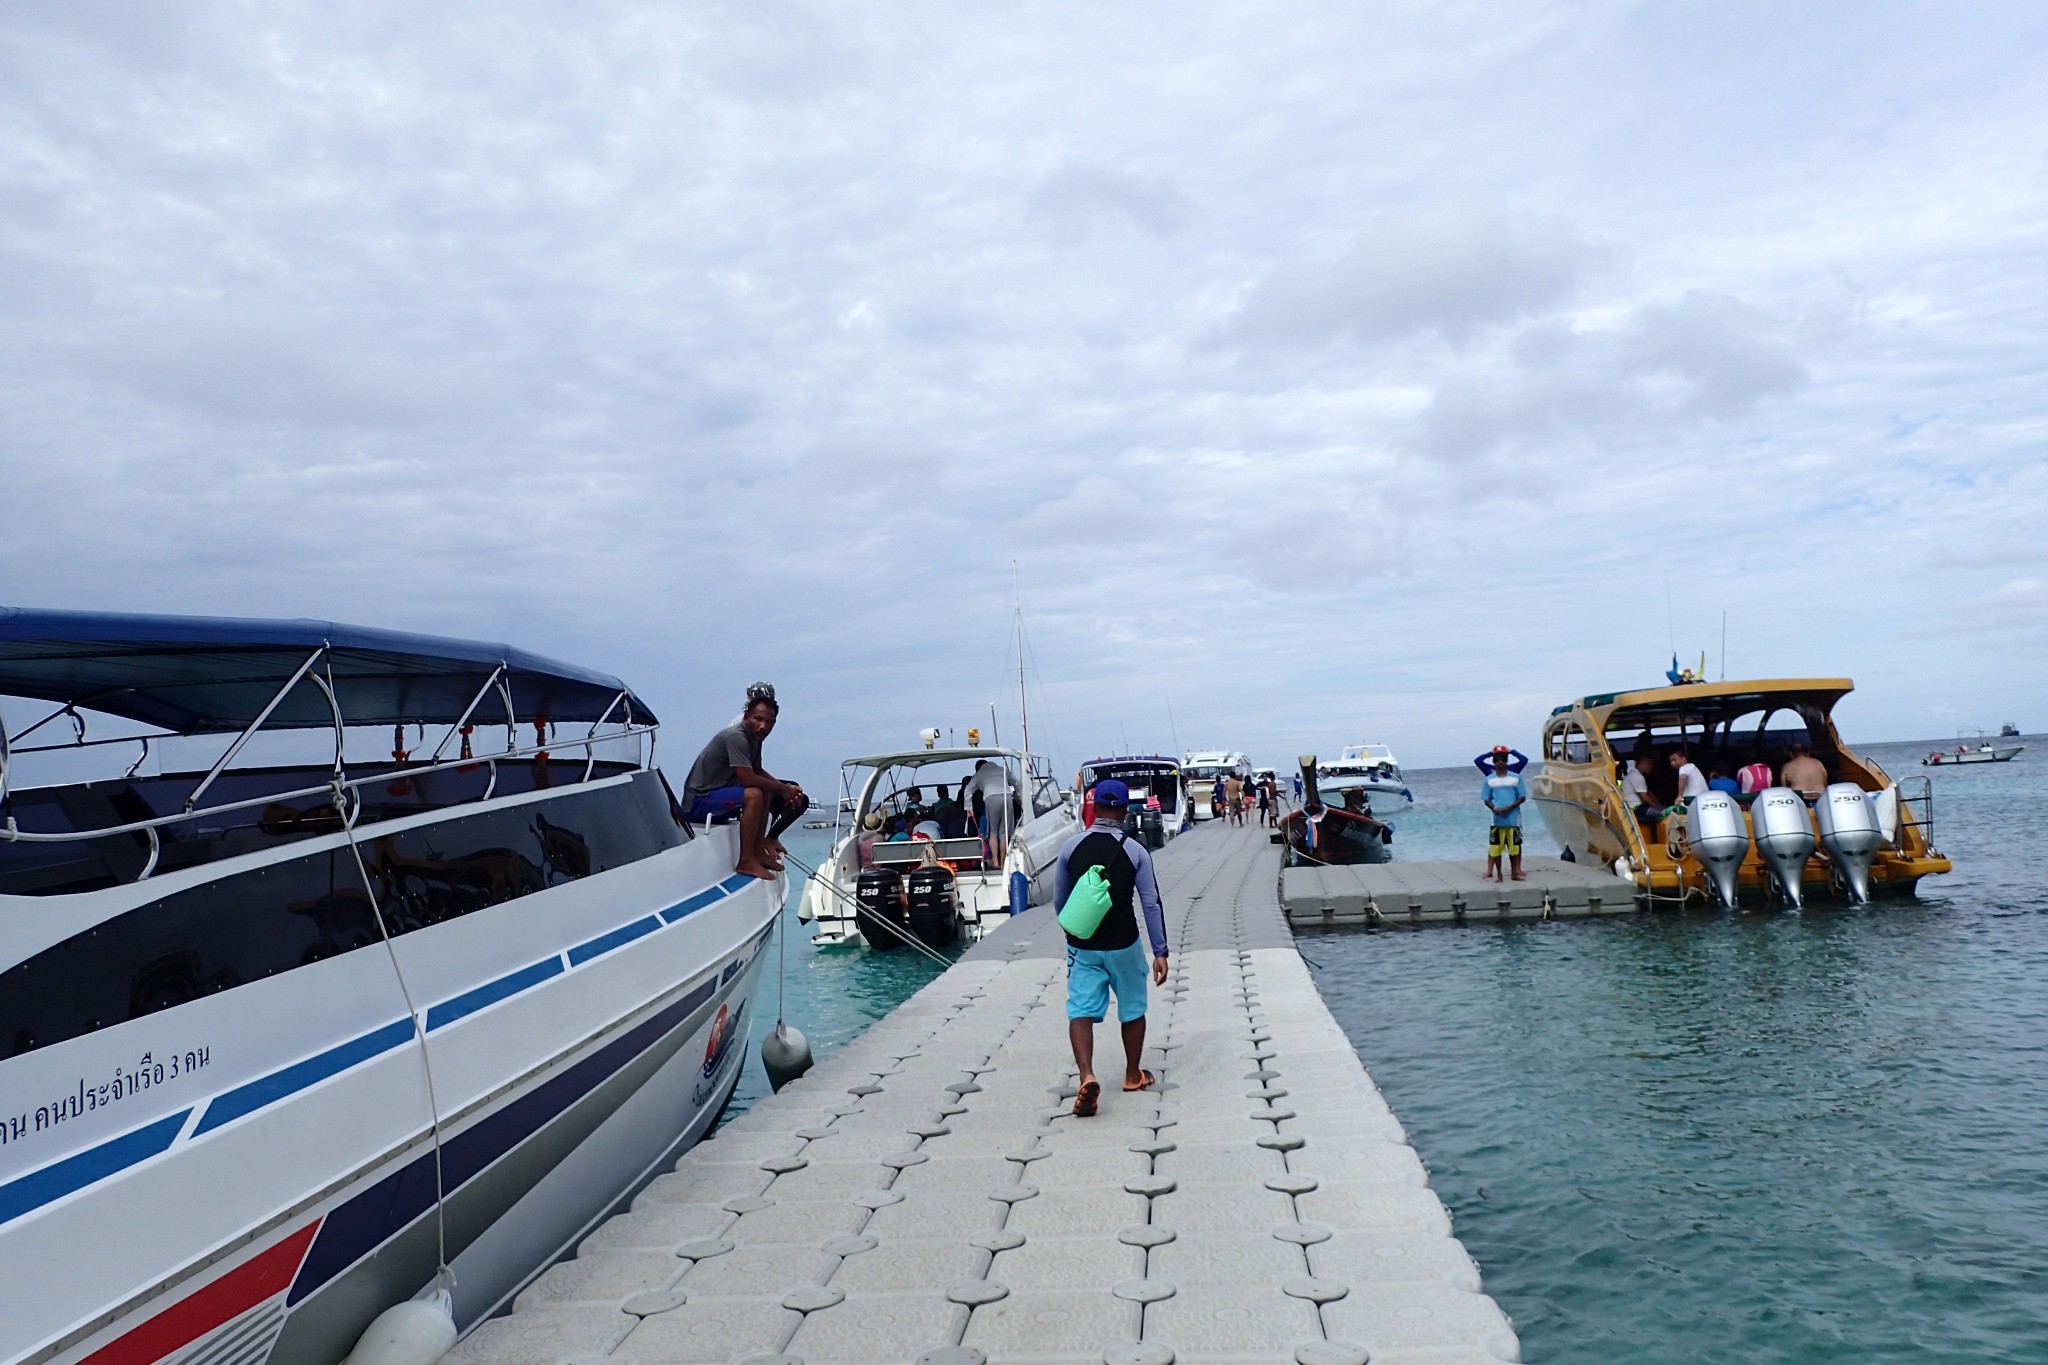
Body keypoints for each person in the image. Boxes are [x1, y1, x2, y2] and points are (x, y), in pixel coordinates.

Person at [1054, 779, 1169, 1117]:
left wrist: (1073, 932)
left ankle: (1086, 1075)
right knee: (1133, 1008)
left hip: (1083, 945)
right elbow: (1151, 903)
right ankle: (1133, 1075)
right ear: (1123, 810)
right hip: (1124, 943)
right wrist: (1160, 951)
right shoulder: (1136, 851)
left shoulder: (1070, 847)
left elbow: (1060, 901)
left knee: (1080, 1011)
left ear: (1094, 807)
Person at [680, 684, 808, 880]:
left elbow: (757, 770)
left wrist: (786, 789)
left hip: (720, 792)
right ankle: (745, 861)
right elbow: (747, 777)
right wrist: (783, 789)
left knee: (764, 790)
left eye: (769, 722)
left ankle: (758, 852)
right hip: (699, 800)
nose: (763, 726)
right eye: (758, 719)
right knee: (754, 794)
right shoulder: (736, 736)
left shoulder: (756, 738)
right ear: (746, 716)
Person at [1475, 744, 1528, 882]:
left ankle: (1516, 871)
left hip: (1513, 817)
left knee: (1515, 845)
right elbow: (1478, 761)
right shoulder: (1489, 774)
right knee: (1495, 847)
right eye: (1497, 759)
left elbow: (1523, 760)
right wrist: (1490, 753)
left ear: (1507, 759)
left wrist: (1512, 751)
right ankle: (1491, 871)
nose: (1500, 762)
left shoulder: (1514, 772)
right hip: (1497, 816)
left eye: (1503, 758)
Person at [1622, 752, 1661, 827]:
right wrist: (1659, 809)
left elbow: (1649, 793)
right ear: (1642, 763)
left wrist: (1660, 806)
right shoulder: (1636, 776)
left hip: (1638, 808)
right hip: (1636, 809)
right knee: (1661, 815)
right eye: (1650, 764)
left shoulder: (1635, 775)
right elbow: (1645, 797)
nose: (1651, 767)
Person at [1667, 746, 1709, 812]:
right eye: (1671, 761)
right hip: (1702, 800)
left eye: (1675, 760)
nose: (1673, 763)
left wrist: (1680, 796)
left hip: (1692, 801)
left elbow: (1683, 777)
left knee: (1668, 812)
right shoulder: (1692, 767)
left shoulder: (1684, 767)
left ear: (1683, 759)